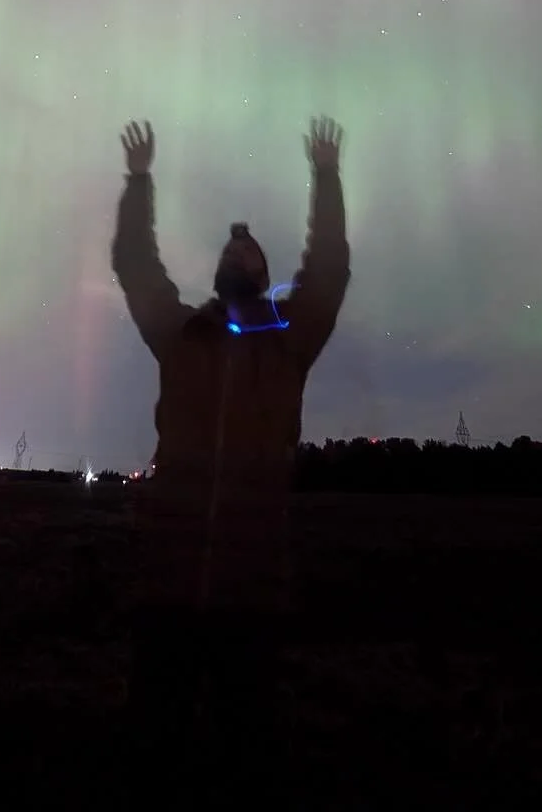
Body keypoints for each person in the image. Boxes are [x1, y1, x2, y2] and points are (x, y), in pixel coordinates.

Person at [113, 115, 351, 746]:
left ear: (264, 271)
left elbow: (327, 270)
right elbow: (137, 267)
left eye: (247, 252)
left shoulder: (290, 342)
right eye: (228, 252)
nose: (235, 254)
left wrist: (326, 177)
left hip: (253, 594)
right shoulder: (181, 335)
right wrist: (139, 183)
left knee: (242, 753)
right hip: (167, 585)